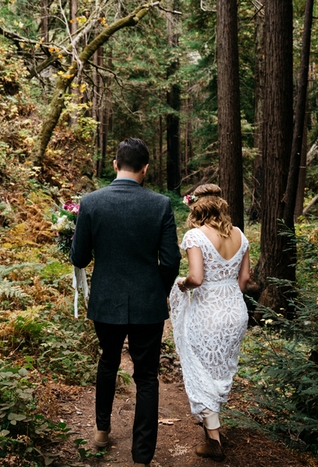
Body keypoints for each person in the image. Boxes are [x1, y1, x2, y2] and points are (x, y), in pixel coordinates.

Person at [70, 137, 181, 467]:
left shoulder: (90, 203)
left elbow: (79, 256)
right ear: (145, 169)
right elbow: (171, 260)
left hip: (106, 300)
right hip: (148, 303)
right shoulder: (160, 205)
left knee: (107, 361)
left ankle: (102, 430)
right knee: (147, 376)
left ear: (115, 165)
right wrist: (156, 289)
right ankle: (142, 456)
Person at [169, 183, 250, 462]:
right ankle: (211, 425)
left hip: (207, 312)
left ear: (196, 209)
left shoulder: (195, 236)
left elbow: (196, 278)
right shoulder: (240, 235)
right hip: (235, 312)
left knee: (200, 369)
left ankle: (213, 441)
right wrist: (228, 299)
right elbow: (244, 281)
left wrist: (181, 283)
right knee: (218, 371)